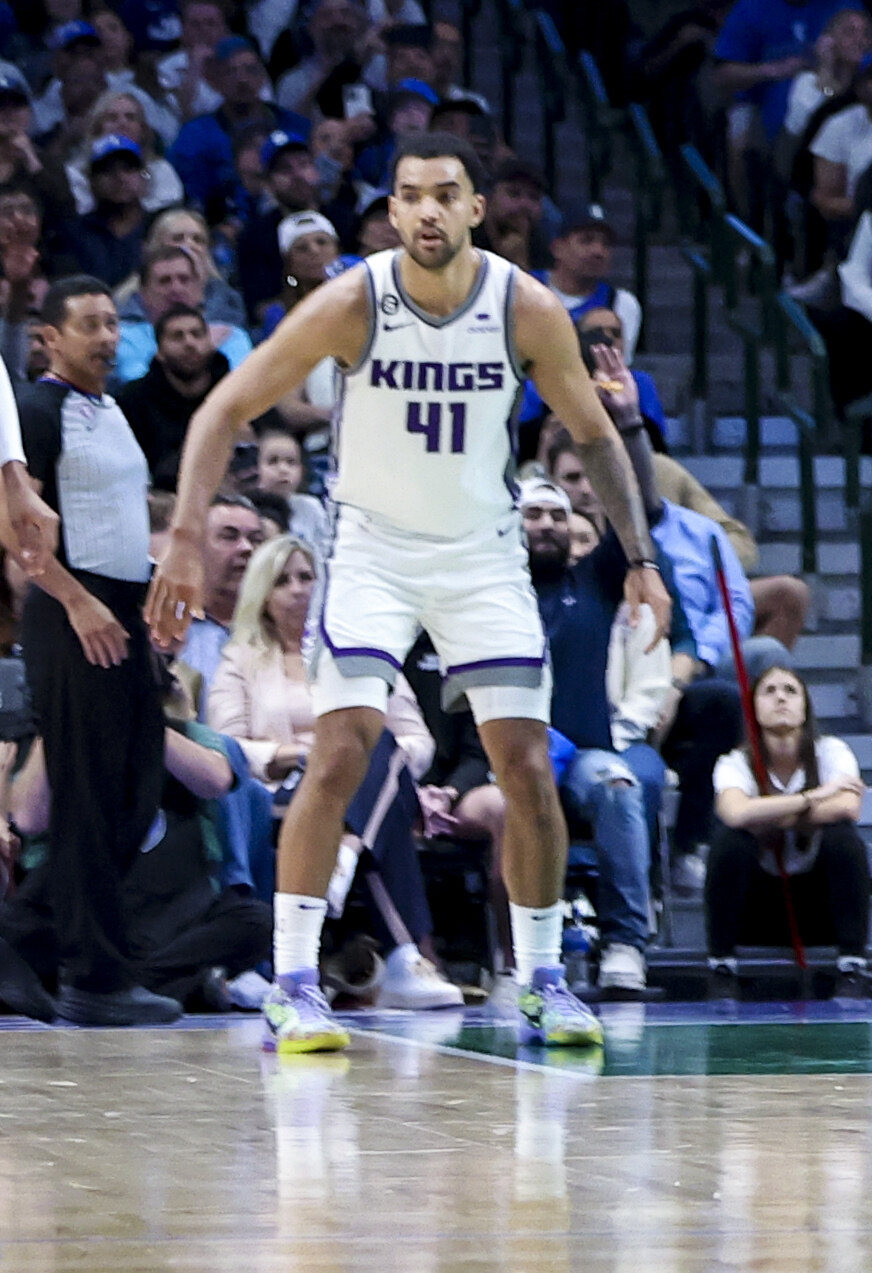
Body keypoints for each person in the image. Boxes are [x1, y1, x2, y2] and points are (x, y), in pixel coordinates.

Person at [146, 136, 669, 1053]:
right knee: (341, 749)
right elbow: (221, 409)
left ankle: (545, 977)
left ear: (476, 208)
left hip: (482, 552)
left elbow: (591, 434)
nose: (427, 211)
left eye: (447, 194)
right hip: (374, 550)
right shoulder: (354, 299)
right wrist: (185, 537)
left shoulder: (525, 306)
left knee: (528, 766)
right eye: (410, 196)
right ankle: (296, 980)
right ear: (390, 212)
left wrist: (641, 556)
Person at [0, 279, 189, 1025]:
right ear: (50, 337)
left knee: (133, 794)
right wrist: (79, 601)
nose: (107, 336)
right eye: (89, 325)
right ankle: (95, 979)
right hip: (73, 613)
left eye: (113, 322)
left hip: (122, 608)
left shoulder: (112, 408)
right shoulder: (39, 410)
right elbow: (17, 531)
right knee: (85, 797)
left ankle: (27, 941)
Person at [199, 534, 462, 1011]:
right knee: (372, 784)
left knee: (374, 747)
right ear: (263, 594)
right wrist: (294, 754)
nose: (298, 589)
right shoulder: (240, 658)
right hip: (283, 788)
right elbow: (227, 743)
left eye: (306, 577)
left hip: (359, 781)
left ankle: (346, 849)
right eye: (283, 581)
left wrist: (345, 757)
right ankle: (405, 955)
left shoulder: (360, 653)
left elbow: (416, 741)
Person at [705, 665, 867, 967]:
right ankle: (722, 964)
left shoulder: (831, 751)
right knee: (730, 842)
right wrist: (810, 798)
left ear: (805, 709)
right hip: (757, 909)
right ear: (753, 709)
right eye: (769, 691)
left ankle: (852, 963)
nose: (781, 698)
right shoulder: (735, 762)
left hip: (816, 908)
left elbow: (847, 806)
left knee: (843, 838)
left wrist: (766, 815)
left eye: (790, 691)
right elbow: (734, 813)